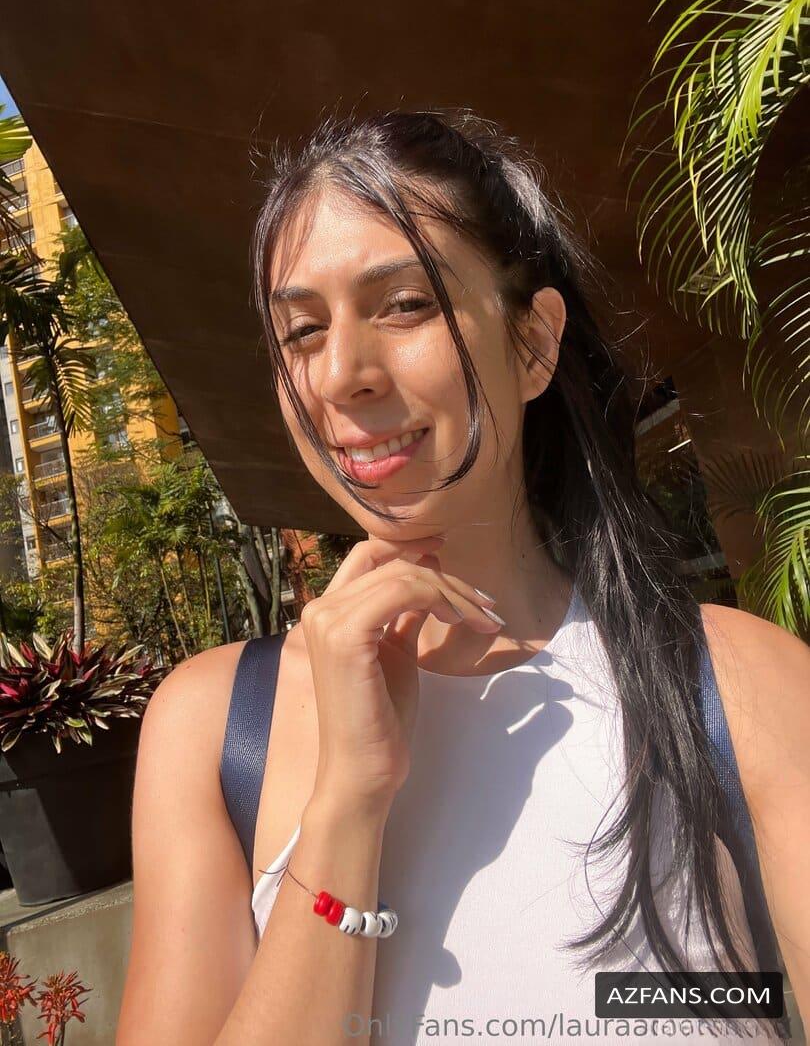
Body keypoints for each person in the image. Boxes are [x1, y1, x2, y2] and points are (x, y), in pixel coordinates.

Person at [117, 108, 810, 1045]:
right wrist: (347, 807)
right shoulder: (215, 727)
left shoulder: (743, 687)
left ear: (533, 343)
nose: (341, 374)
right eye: (302, 331)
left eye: (404, 305)